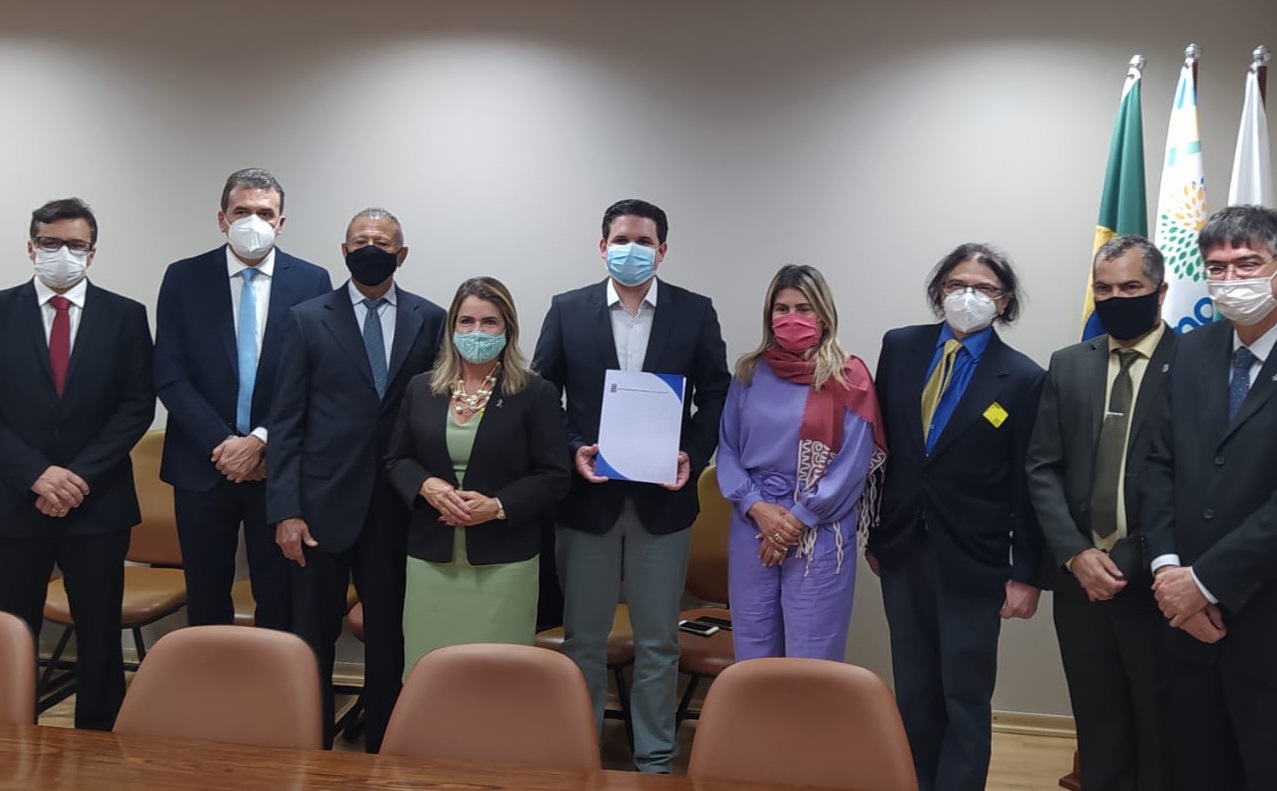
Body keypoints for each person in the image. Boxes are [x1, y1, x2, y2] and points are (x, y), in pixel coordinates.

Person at [532, 198, 730, 773]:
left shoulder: (694, 312)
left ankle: (655, 759)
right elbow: (543, 394)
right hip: (587, 498)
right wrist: (573, 448)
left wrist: (691, 454)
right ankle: (580, 752)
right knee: (583, 641)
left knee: (659, 643)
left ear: (662, 251)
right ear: (602, 247)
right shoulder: (568, 309)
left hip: (662, 504)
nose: (632, 250)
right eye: (622, 240)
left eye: (644, 242)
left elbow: (716, 392)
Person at [267, 208, 445, 752]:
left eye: (383, 242)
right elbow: (286, 421)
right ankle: (311, 744)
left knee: (390, 635)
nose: (372, 248)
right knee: (312, 637)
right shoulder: (306, 319)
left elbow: (436, 416)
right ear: (344, 251)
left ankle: (385, 747)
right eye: (362, 240)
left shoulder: (431, 318)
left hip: (396, 506)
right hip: (319, 508)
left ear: (402, 254)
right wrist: (285, 510)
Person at [869, 242, 1044, 791]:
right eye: (956, 285)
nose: (968, 296)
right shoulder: (900, 347)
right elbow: (881, 448)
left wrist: (1027, 573)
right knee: (914, 688)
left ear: (1004, 301)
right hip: (902, 549)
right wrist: (875, 532)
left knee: (964, 694)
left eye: (984, 288)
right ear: (939, 291)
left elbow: (1029, 483)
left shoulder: (1023, 378)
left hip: (975, 559)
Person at [0, 198, 154, 729]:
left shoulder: (125, 315)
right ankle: (12, 736)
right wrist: (36, 474)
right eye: (50, 242)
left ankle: (98, 737)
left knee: (99, 630)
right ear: (30, 247)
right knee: (12, 630)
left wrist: (78, 476)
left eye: (75, 244)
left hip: (98, 502)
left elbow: (137, 406)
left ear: (92, 252)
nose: (62, 253)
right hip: (15, 500)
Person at [154, 168, 331, 631]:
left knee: (279, 594)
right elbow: (170, 373)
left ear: (281, 222)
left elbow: (316, 378)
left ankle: (275, 678)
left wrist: (260, 441)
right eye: (242, 211)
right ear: (222, 219)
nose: (254, 221)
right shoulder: (184, 277)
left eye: (265, 213)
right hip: (202, 463)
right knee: (206, 594)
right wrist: (225, 444)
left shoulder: (312, 281)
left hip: (277, 467)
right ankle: (210, 677)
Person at [1027, 235, 1173, 791]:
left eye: (1131, 287)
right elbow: (1042, 467)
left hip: (1156, 580)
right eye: (1104, 289)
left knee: (1161, 729)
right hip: (1078, 583)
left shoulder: (1194, 363)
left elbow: (1192, 480)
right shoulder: (1068, 364)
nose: (1116, 299)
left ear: (1160, 291)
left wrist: (1127, 559)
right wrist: (1075, 553)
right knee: (1098, 725)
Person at [1143, 205, 1277, 790]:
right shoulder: (1192, 349)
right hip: (1186, 618)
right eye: (1216, 268)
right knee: (1194, 767)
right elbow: (1158, 465)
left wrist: (1205, 582)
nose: (1230, 279)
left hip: (1264, 615)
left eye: (1248, 264)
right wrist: (1169, 571)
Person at [386, 277, 570, 668]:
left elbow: (555, 476)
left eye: (489, 322)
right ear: (452, 328)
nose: (477, 332)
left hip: (503, 563)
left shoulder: (535, 393)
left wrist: (498, 506)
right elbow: (396, 460)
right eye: (466, 321)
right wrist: (427, 485)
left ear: (508, 329)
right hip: (431, 559)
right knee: (429, 670)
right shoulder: (421, 388)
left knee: (497, 675)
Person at [716, 264, 885, 661]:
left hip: (819, 527)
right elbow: (727, 448)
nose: (792, 318)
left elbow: (853, 463)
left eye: (804, 308)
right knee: (753, 643)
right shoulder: (749, 372)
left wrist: (797, 520)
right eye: (782, 309)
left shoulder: (849, 376)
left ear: (823, 315)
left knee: (812, 651)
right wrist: (756, 507)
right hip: (753, 521)